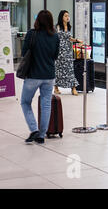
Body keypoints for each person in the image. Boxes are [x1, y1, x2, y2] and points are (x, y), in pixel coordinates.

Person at [20, 10, 60, 144]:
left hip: (33, 75)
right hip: (49, 76)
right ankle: (41, 135)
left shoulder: (32, 34)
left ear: (38, 20)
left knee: (25, 102)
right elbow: (55, 56)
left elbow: (24, 53)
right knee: (46, 105)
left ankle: (34, 129)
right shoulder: (55, 36)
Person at [54, 10, 82, 96]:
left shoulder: (69, 27)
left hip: (67, 50)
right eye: (65, 16)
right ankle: (56, 87)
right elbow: (57, 37)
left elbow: (70, 38)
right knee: (59, 69)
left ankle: (73, 87)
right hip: (59, 50)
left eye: (68, 16)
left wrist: (77, 40)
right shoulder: (58, 26)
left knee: (70, 69)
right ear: (61, 17)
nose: (67, 17)